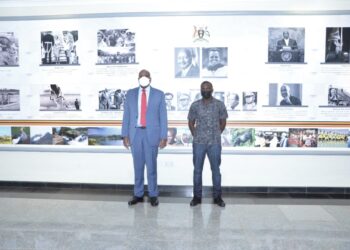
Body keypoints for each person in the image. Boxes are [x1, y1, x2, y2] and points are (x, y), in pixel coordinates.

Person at [122, 69, 168, 207]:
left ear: (150, 78)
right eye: (141, 76)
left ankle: (153, 195)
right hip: (135, 134)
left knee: (152, 167)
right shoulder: (130, 94)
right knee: (138, 167)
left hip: (151, 134)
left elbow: (163, 117)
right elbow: (126, 116)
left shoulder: (159, 95)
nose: (143, 78)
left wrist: (163, 136)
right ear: (138, 78)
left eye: (146, 76)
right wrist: (125, 134)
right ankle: (138, 194)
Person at [188, 81, 228, 207]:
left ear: (212, 89)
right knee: (197, 171)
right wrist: (196, 134)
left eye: (208, 88)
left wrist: (216, 133)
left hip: (214, 143)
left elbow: (223, 122)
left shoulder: (219, 105)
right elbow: (191, 122)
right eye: (203, 88)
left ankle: (217, 197)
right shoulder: (195, 105)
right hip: (198, 143)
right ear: (200, 90)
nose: (205, 90)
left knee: (216, 171)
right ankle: (197, 197)